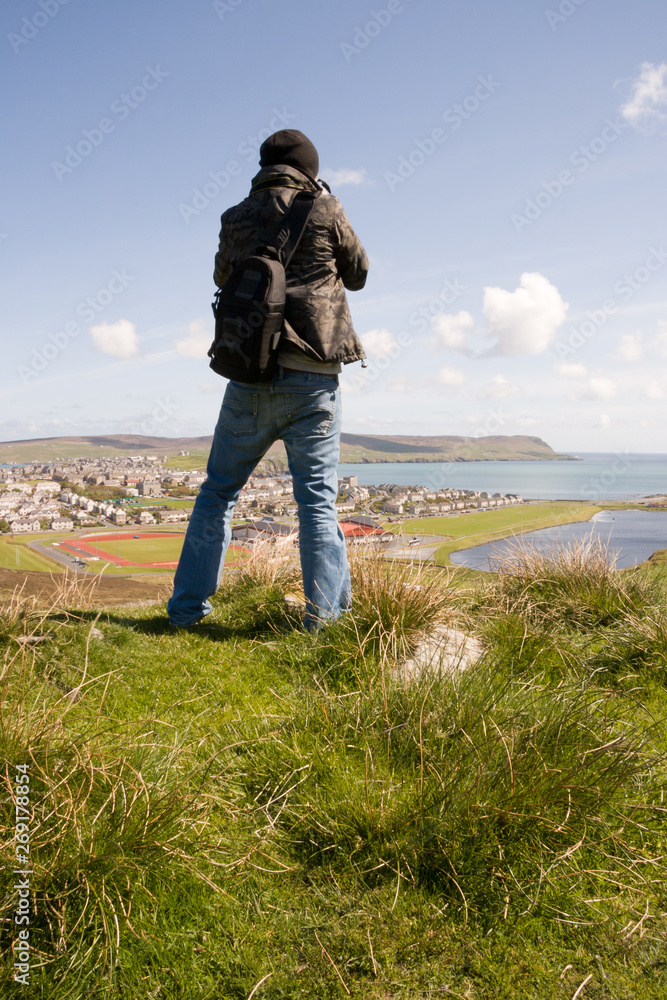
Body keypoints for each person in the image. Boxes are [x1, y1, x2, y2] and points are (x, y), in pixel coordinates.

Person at [168, 129, 369, 630]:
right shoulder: (324, 208)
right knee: (317, 506)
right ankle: (325, 622)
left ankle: (187, 612)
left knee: (217, 495)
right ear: (310, 170)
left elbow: (223, 278)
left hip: (250, 375)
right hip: (313, 378)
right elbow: (359, 272)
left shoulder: (234, 217)